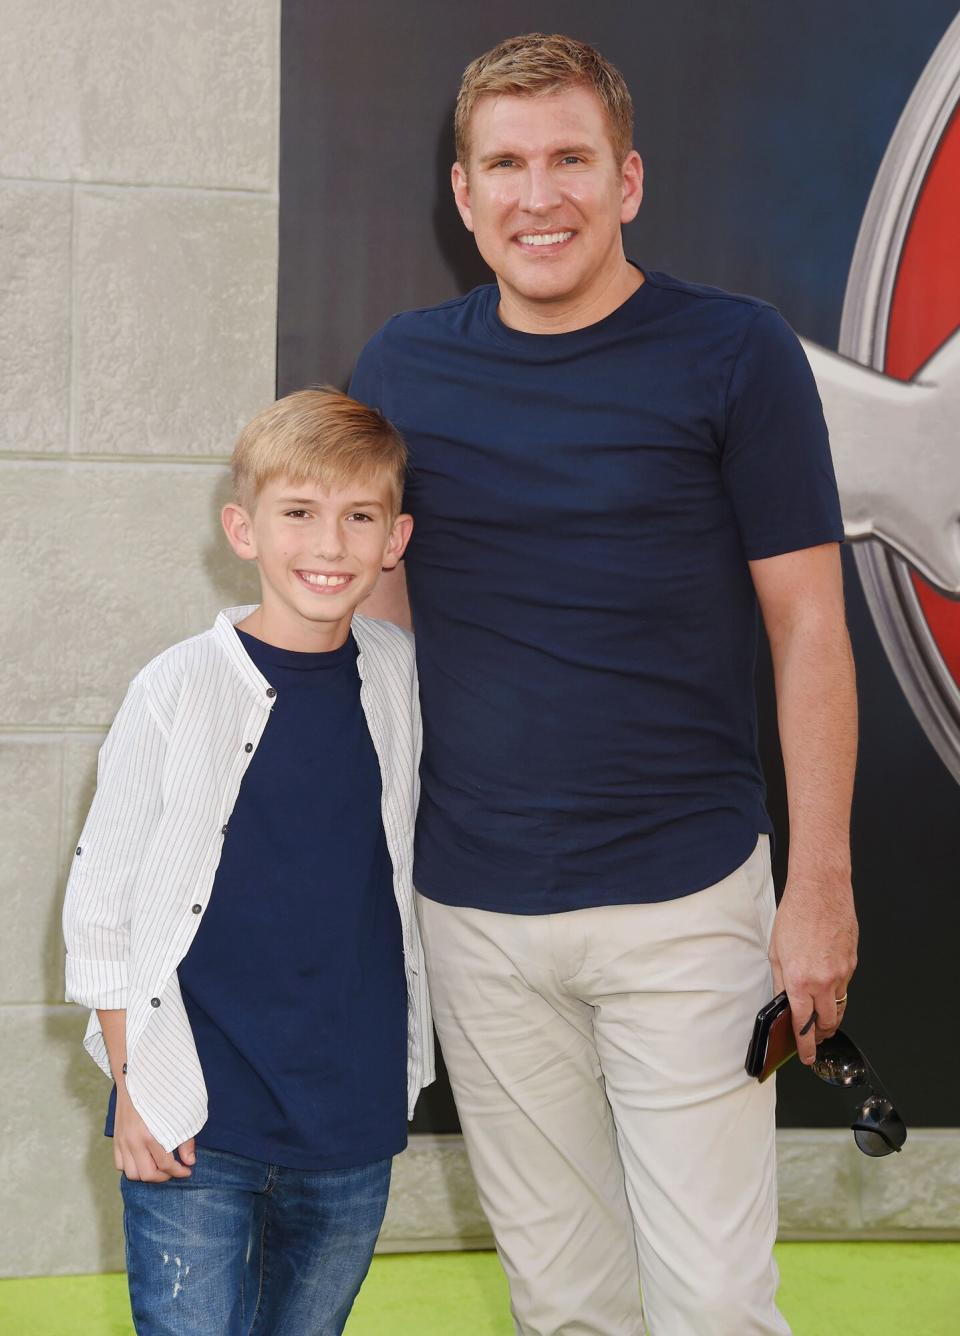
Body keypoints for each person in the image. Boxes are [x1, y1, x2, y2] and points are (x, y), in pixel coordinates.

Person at [349, 31, 858, 1336]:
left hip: (689, 911)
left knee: (716, 1307)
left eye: (570, 158)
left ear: (627, 180)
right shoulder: (403, 371)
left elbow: (809, 627)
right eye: (506, 165)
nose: (540, 196)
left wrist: (820, 889)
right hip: (477, 920)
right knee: (566, 1308)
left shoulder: (736, 353)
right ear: (461, 195)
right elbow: (378, 641)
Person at [62, 388, 433, 1336]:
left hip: (349, 1122)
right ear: (243, 528)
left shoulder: (400, 677)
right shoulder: (176, 687)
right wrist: (135, 1083)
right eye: (299, 514)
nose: (330, 544)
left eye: (360, 518)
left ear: (395, 541)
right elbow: (101, 900)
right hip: (194, 1112)